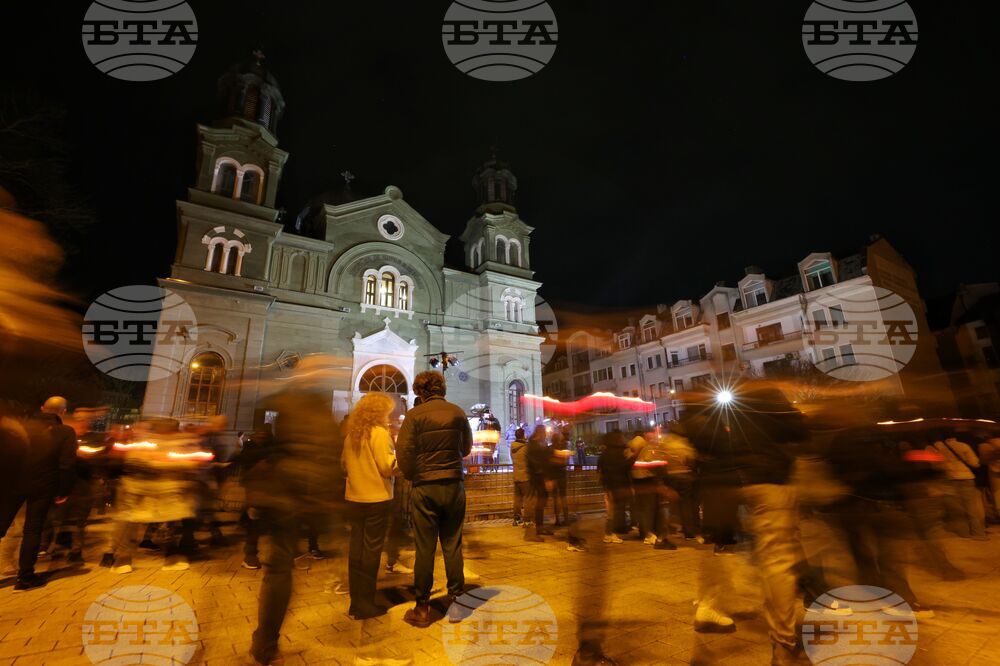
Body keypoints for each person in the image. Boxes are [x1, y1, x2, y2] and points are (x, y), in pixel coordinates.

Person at [247, 356, 342, 666]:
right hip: (295, 497)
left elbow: (273, 446)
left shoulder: (291, 402)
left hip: (291, 496)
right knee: (280, 570)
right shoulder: (306, 406)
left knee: (280, 569)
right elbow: (327, 451)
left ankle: (266, 641)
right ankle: (266, 640)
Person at [395, 371, 473, 628]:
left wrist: (412, 474)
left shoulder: (414, 416)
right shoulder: (458, 412)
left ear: (419, 391)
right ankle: (458, 603)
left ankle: (422, 607)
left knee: (424, 548)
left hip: (425, 487)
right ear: (442, 388)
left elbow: (404, 452)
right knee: (452, 543)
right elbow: (466, 448)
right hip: (453, 485)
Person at [0, 397, 77, 591]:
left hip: (11, 483)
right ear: (63, 412)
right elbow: (67, 465)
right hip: (42, 486)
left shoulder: (21, 426)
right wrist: (63, 491)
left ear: (42, 408)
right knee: (32, 530)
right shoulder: (66, 432)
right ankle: (25, 577)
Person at [341, 393, 398, 619]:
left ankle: (356, 602)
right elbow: (386, 467)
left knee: (356, 551)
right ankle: (365, 604)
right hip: (376, 499)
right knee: (371, 553)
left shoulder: (351, 435)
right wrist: (399, 460)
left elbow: (344, 466)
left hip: (354, 498)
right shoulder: (380, 434)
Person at [930, 435, 987, 539]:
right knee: (971, 507)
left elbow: (935, 466)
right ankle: (979, 534)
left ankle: (964, 533)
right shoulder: (963, 445)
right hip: (967, 478)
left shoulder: (936, 447)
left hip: (949, 478)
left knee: (957, 508)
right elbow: (975, 463)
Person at [597, 431, 631, 544]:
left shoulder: (604, 454)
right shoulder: (619, 453)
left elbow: (600, 470)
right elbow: (624, 467)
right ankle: (610, 533)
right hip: (618, 485)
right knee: (615, 511)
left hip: (608, 486)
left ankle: (608, 534)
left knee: (610, 511)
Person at [524, 427, 554, 541]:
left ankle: (539, 528)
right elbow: (537, 463)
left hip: (538, 477)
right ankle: (533, 533)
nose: (545, 435)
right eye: (544, 433)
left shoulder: (537, 444)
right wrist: (546, 478)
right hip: (537, 478)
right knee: (537, 503)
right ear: (539, 433)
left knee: (541, 502)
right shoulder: (533, 446)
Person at [550, 431, 571, 526]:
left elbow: (548, 462)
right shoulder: (563, 449)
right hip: (562, 475)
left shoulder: (550, 449)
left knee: (555, 498)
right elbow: (565, 461)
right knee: (563, 497)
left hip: (553, 476)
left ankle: (557, 518)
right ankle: (566, 518)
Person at [510, 428, 530, 526]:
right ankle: (527, 520)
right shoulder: (526, 447)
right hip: (525, 476)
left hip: (516, 475)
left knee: (517, 499)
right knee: (527, 498)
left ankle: (517, 519)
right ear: (523, 435)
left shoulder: (512, 446)